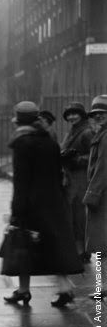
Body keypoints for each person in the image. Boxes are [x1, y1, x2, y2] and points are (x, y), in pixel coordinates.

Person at [2, 101, 83, 307]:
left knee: (23, 245)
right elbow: (57, 172)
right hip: (53, 201)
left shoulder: (22, 143)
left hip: (31, 204)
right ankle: (63, 288)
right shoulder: (49, 140)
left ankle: (24, 290)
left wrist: (16, 210)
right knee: (53, 245)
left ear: (18, 121)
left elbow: (21, 182)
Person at [60, 101, 94, 262]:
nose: (71, 117)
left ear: (82, 115)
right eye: (69, 114)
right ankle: (78, 249)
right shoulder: (73, 131)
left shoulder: (87, 132)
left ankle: (83, 252)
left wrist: (77, 159)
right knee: (73, 214)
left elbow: (95, 156)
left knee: (79, 215)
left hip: (81, 179)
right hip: (71, 178)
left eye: (75, 113)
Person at [84, 95, 107, 299]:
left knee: (101, 244)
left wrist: (92, 194)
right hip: (102, 195)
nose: (98, 117)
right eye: (95, 114)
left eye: (102, 114)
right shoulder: (100, 135)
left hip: (103, 196)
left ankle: (103, 287)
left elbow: (102, 169)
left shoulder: (105, 137)